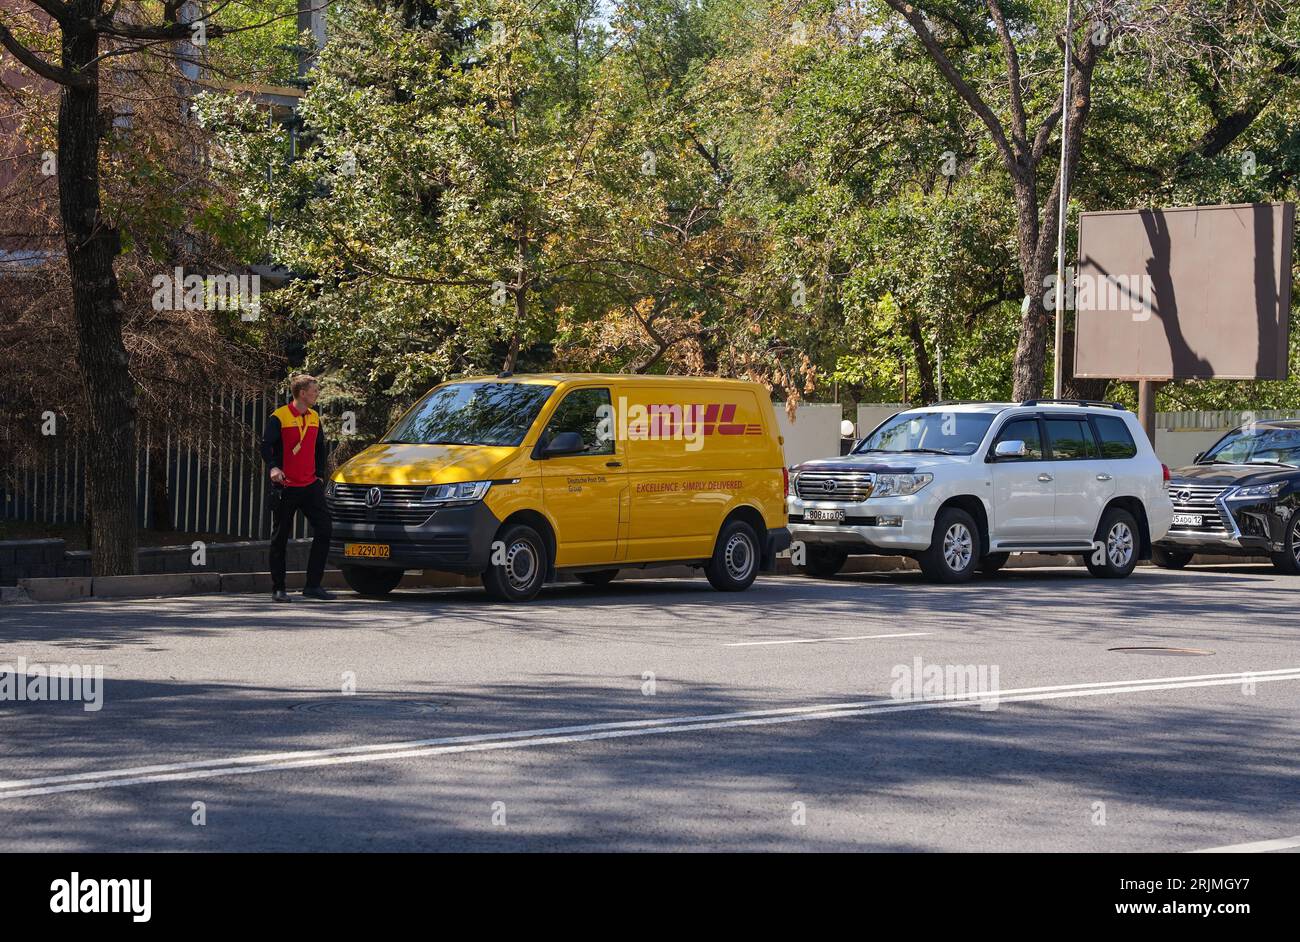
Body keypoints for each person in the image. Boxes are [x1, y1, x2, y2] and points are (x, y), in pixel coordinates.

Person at [261, 374, 334, 601]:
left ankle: (313, 585)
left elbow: (320, 448)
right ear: (302, 393)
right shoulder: (279, 417)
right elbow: (266, 445)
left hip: (310, 484)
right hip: (286, 485)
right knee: (280, 536)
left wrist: (320, 476)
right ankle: (279, 588)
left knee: (325, 529)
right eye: (314, 391)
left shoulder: (314, 417)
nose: (317, 394)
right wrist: (273, 468)